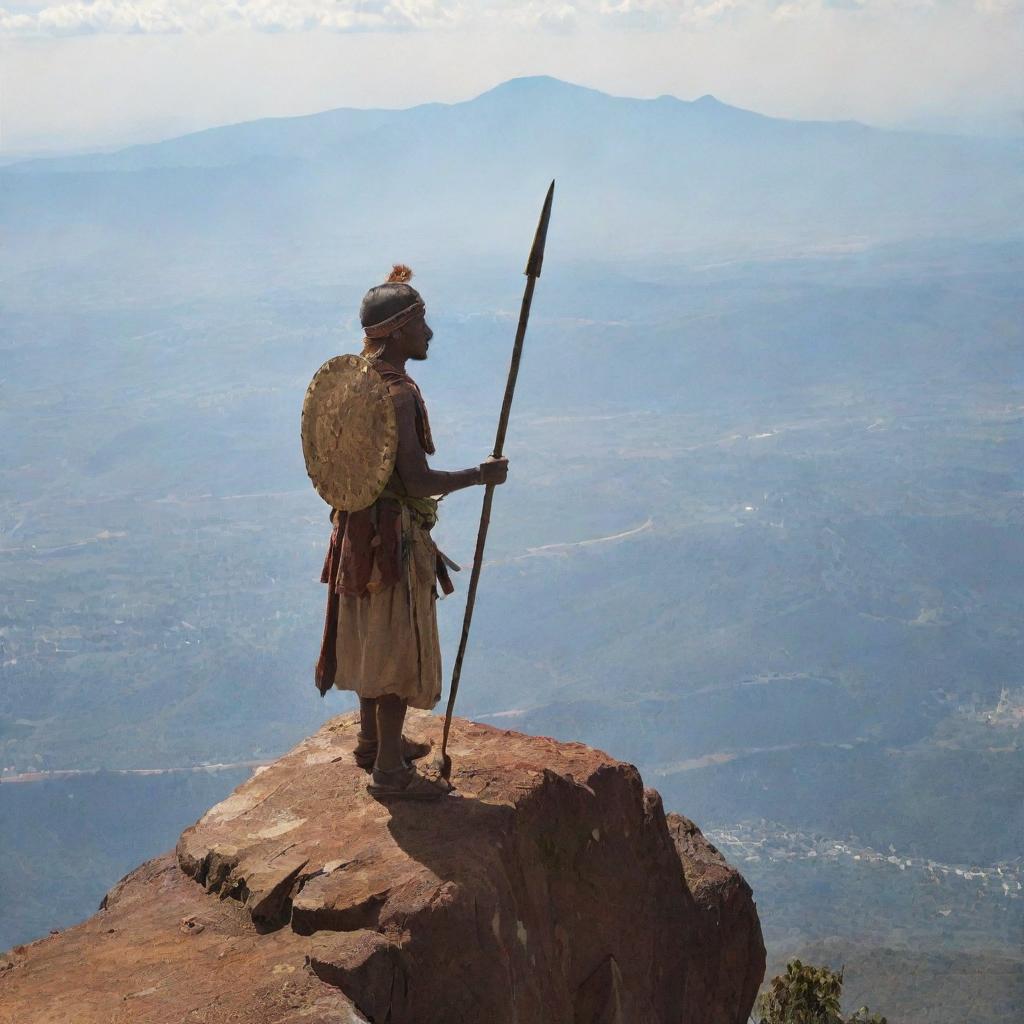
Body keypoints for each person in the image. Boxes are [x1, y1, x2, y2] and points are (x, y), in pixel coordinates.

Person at [315, 265, 508, 800]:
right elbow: (417, 480)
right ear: (398, 330)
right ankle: (390, 774)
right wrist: (480, 475)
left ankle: (375, 743)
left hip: (354, 532)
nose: (429, 334)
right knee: (396, 645)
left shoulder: (354, 382)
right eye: (421, 323)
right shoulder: (396, 394)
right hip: (392, 540)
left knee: (372, 632)